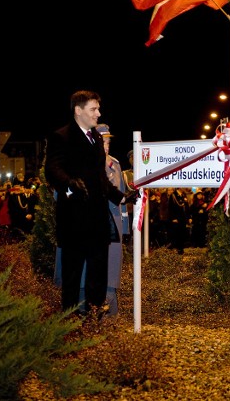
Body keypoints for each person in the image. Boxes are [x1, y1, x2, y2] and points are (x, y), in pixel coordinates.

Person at [44, 90, 137, 319]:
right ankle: (70, 322)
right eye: (93, 109)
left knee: (98, 275)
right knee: (73, 276)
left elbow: (101, 179)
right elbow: (52, 169)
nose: (98, 113)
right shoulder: (61, 136)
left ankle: (94, 318)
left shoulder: (96, 138)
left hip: (97, 222)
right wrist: (69, 182)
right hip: (74, 222)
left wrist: (121, 197)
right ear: (78, 110)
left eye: (98, 108)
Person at [94, 123, 125, 317]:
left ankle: (110, 311)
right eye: (102, 141)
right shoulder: (86, 165)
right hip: (96, 225)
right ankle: (98, 313)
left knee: (112, 269)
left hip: (114, 227)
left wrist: (126, 229)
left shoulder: (115, 163)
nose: (106, 145)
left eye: (108, 142)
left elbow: (120, 200)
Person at [168, 187, 190, 254]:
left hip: (183, 218)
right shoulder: (173, 195)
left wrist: (189, 217)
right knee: (177, 234)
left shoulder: (183, 195)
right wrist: (173, 218)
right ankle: (178, 248)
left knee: (182, 233)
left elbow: (186, 207)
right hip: (176, 218)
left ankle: (181, 248)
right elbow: (170, 208)